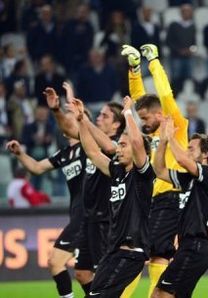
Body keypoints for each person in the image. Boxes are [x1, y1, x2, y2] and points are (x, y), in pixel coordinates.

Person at [67, 96, 154, 297]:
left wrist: (128, 113)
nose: (118, 149)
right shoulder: (117, 172)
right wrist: (81, 120)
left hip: (131, 253)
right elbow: (92, 152)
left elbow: (136, 141)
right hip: (113, 251)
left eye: (123, 145)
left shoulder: (142, 176)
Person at [121, 43, 189, 297]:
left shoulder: (176, 125)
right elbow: (141, 99)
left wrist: (154, 62)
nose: (144, 123)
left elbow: (165, 95)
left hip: (170, 198)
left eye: (147, 119)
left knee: (149, 254)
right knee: (148, 255)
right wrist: (135, 69)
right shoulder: (152, 133)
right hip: (150, 200)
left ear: (160, 115)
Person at [45, 83, 124, 295]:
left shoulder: (118, 144)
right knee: (82, 274)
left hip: (106, 219)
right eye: (99, 115)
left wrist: (83, 118)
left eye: (105, 117)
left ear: (116, 125)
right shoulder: (92, 142)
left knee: (102, 277)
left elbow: (107, 147)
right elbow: (71, 130)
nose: (99, 118)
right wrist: (57, 110)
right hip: (90, 218)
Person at [6, 134, 86, 298]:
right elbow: (36, 168)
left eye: (70, 114)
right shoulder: (63, 154)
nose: (65, 118)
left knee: (57, 262)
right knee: (83, 274)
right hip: (78, 215)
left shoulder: (90, 148)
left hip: (90, 217)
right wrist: (20, 153)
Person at [152, 117, 208, 298]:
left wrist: (171, 137)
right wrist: (164, 142)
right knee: (163, 294)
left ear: (205, 154)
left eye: (191, 148)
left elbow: (182, 160)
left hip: (195, 247)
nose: (186, 151)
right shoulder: (189, 179)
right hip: (187, 247)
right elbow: (159, 170)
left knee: (161, 294)